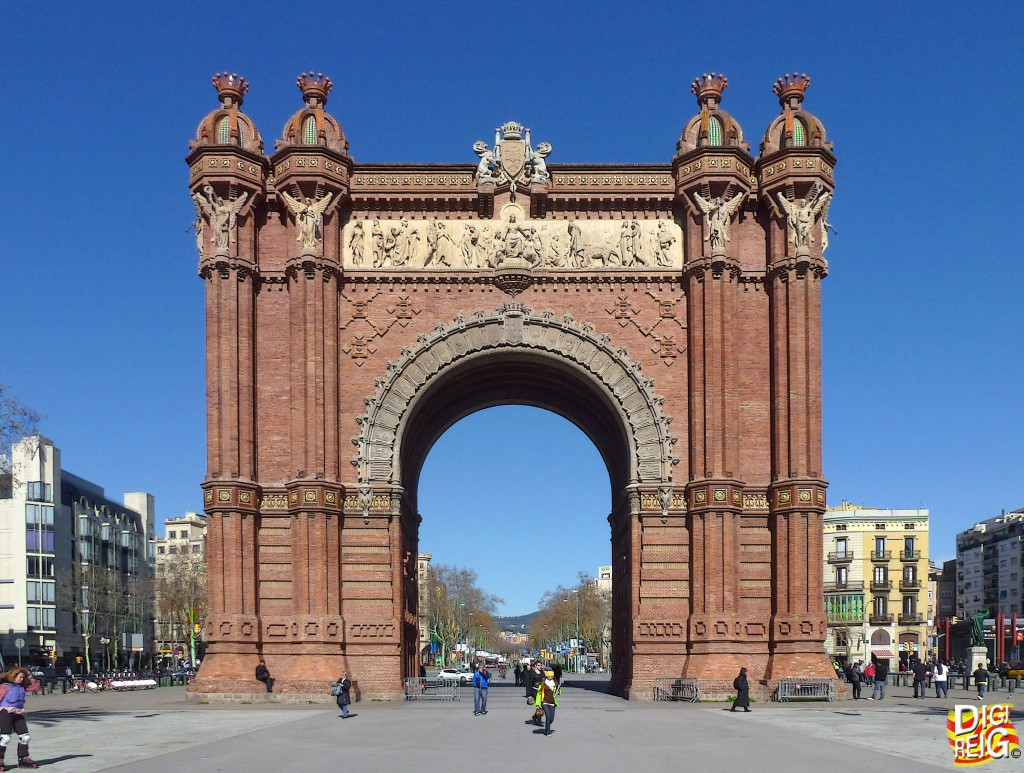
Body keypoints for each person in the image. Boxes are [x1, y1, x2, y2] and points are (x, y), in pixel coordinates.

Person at [0, 667, 38, 769]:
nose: (21, 679)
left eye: (23, 677)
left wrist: (30, 676)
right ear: (13, 676)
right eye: (20, 677)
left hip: (18, 712)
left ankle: (23, 758)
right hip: (5, 712)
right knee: (5, 738)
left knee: (25, 736)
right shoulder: (5, 687)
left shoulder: (22, 686)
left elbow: (35, 687)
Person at [535, 669, 560, 736]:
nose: (550, 677)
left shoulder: (555, 683)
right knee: (548, 716)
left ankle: (547, 727)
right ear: (546, 676)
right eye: (548, 675)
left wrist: (558, 692)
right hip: (545, 702)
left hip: (552, 703)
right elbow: (539, 694)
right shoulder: (543, 683)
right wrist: (537, 704)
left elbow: (559, 690)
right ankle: (548, 731)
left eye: (551, 676)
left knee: (551, 718)